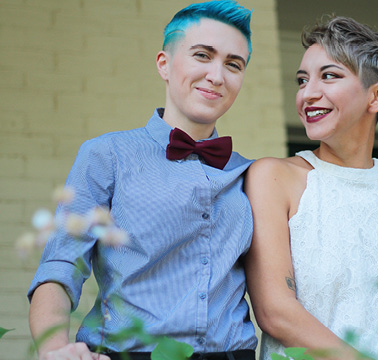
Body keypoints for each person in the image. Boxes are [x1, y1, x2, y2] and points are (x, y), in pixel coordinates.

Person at [27, 1, 258, 359]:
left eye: (233, 64)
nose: (217, 75)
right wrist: (54, 348)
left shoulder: (252, 175)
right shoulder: (107, 154)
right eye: (202, 55)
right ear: (164, 64)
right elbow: (61, 266)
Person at [245, 16, 378, 360]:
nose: (308, 93)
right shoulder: (272, 177)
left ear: (377, 95)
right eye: (302, 80)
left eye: (329, 75)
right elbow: (275, 311)